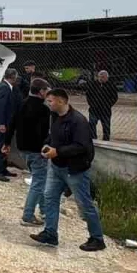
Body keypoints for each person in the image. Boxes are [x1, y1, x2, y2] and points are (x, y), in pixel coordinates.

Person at [29, 89, 105, 251]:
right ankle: (50, 233)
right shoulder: (55, 117)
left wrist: (58, 151)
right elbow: (53, 136)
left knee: (84, 203)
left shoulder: (78, 121)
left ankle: (97, 238)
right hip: (56, 167)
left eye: (51, 101)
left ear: (62, 102)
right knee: (49, 197)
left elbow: (81, 146)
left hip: (74, 169)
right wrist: (47, 144)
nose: (48, 103)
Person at [4, 78, 51, 226]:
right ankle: (28, 215)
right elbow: (43, 133)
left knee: (40, 180)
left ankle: (44, 212)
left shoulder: (22, 104)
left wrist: (6, 143)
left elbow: (11, 124)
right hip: (37, 150)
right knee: (38, 182)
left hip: (22, 148)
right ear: (41, 91)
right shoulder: (43, 110)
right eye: (47, 91)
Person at [0, 68, 21, 182]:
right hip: (0, 124)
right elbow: (1, 107)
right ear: (13, 77)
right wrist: (2, 123)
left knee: (4, 146)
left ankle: (2, 169)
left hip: (2, 123)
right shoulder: (4, 88)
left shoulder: (3, 86)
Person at [84, 70, 117, 141]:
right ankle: (93, 139)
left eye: (103, 77)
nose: (101, 78)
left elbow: (114, 97)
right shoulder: (93, 84)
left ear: (107, 77)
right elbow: (88, 95)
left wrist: (108, 105)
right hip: (94, 109)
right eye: (100, 77)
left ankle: (106, 140)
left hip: (105, 110)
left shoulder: (111, 85)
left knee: (106, 126)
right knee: (92, 123)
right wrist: (91, 104)